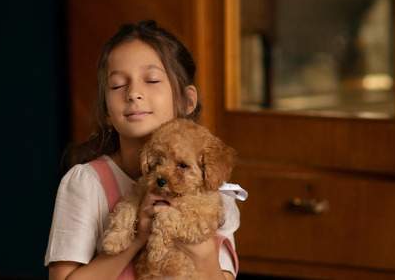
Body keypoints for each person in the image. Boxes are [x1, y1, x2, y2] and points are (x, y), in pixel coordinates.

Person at [45, 20, 247, 280]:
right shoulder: (87, 183)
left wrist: (202, 250)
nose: (133, 93)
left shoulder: (212, 191)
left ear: (187, 101)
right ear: (106, 111)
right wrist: (138, 236)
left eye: (151, 80)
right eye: (118, 85)